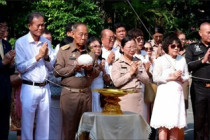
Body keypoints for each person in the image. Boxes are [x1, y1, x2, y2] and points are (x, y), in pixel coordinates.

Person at [54, 22, 100, 140]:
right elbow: (57, 71)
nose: (84, 37)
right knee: (69, 129)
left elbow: (96, 72)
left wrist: (90, 69)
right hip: (70, 95)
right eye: (81, 34)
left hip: (86, 94)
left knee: (86, 130)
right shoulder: (64, 51)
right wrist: (73, 68)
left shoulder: (91, 52)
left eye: (86, 34)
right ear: (73, 34)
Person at [15, 12, 54, 140]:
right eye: (37, 25)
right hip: (29, 87)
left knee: (44, 126)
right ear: (29, 26)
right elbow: (20, 68)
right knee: (27, 125)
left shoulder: (45, 41)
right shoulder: (21, 42)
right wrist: (38, 56)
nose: (40, 28)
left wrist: (47, 56)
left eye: (42, 25)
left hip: (45, 87)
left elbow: (52, 67)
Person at [150, 34, 189, 140]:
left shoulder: (182, 59)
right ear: (167, 46)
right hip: (164, 95)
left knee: (175, 124)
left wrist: (181, 78)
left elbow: (186, 75)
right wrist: (170, 77)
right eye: (173, 46)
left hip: (177, 95)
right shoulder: (160, 60)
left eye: (178, 46)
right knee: (163, 125)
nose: (176, 48)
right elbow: (155, 78)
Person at [111, 36, 149, 121]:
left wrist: (137, 73)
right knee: (126, 127)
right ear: (122, 48)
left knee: (138, 127)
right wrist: (130, 73)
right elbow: (116, 82)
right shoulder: (118, 63)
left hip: (139, 98)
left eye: (134, 47)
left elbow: (146, 80)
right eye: (129, 47)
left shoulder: (138, 61)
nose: (132, 49)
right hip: (125, 99)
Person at [185, 22, 210, 140]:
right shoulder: (192, 47)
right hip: (199, 87)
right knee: (200, 121)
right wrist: (203, 60)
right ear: (200, 33)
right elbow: (187, 65)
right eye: (208, 32)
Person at [0, 15, 15, 140]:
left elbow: (10, 71)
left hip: (5, 90)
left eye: (5, 27)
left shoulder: (6, 45)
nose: (3, 30)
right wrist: (2, 63)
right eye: (0, 26)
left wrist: (10, 65)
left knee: (4, 124)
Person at [86, 36, 110, 112]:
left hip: (101, 93)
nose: (98, 49)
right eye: (95, 46)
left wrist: (103, 70)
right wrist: (98, 69)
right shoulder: (86, 61)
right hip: (91, 92)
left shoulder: (102, 61)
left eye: (100, 46)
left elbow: (108, 80)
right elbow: (88, 78)